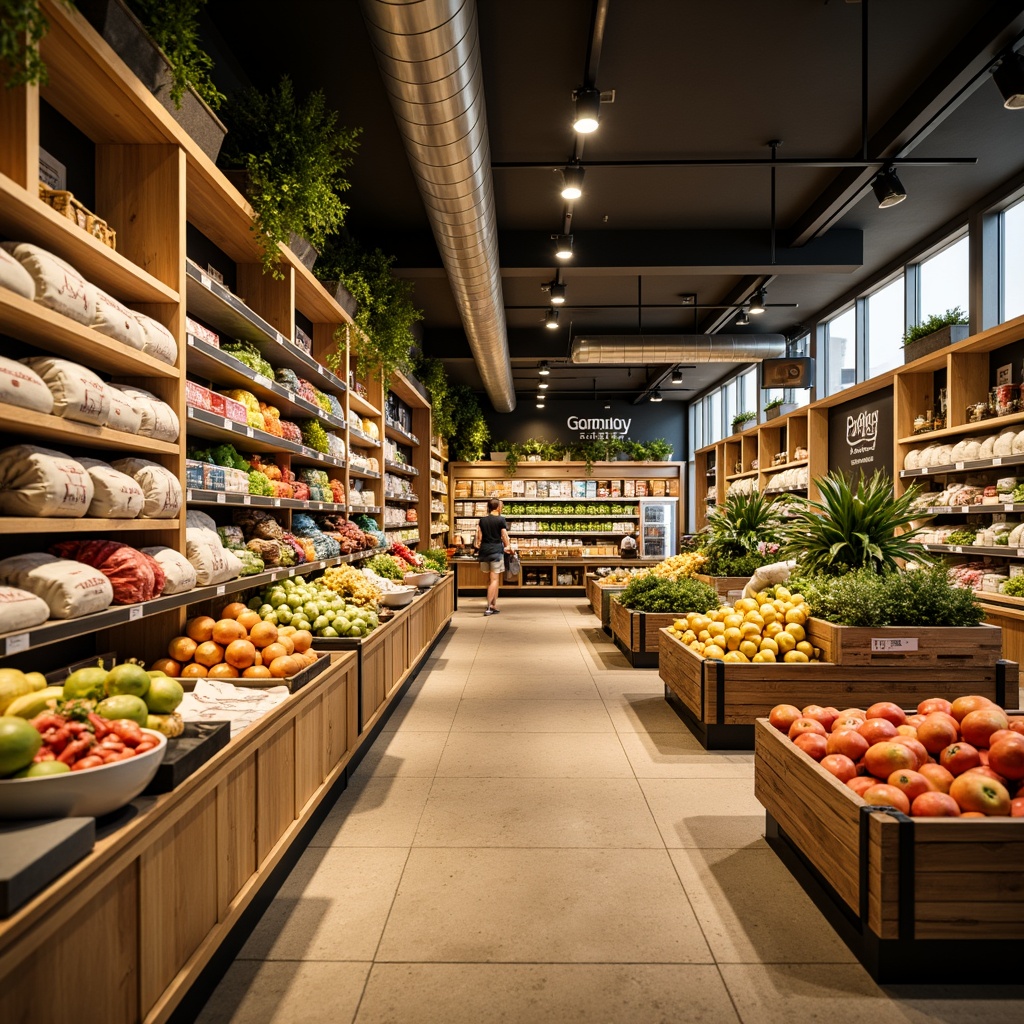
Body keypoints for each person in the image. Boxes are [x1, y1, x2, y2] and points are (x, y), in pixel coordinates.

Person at [475, 497, 512, 615]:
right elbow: (504, 536)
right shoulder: (501, 520)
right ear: (497, 507)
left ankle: (493, 604)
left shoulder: (482, 520)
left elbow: (479, 538)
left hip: (484, 552)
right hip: (496, 551)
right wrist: (509, 547)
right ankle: (489, 607)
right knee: (494, 579)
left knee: (490, 580)